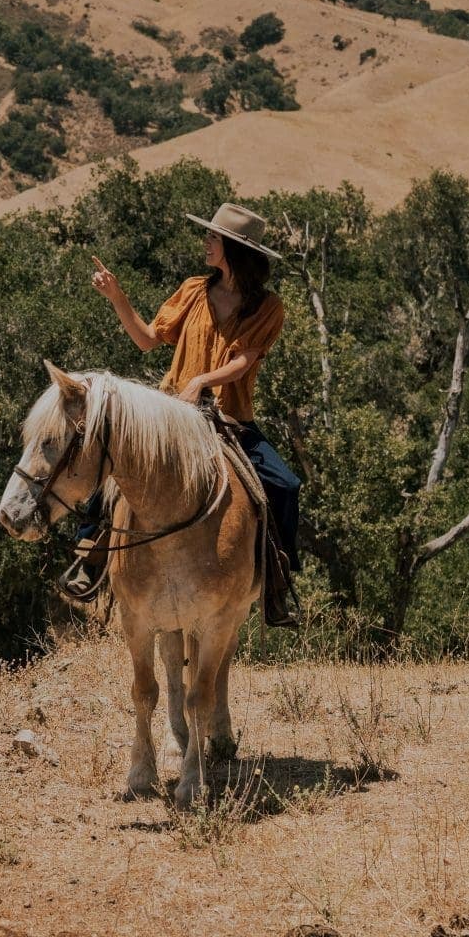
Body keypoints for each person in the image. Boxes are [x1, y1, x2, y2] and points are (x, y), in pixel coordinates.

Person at [67, 201, 303, 626]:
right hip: (172, 416)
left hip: (229, 419)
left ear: (234, 248)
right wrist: (117, 296)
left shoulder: (268, 307)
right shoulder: (193, 290)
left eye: (213, 237)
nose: (207, 242)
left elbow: (244, 360)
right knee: (111, 474)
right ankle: (88, 558)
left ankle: (277, 584)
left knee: (285, 486)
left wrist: (203, 381)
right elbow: (146, 340)